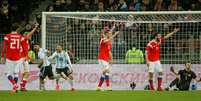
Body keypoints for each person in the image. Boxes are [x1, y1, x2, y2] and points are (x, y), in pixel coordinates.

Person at [1, 23, 27, 93]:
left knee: (7, 73)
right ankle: (14, 89)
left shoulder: (7, 36)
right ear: (17, 29)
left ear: (11, 28)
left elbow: (4, 47)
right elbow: (24, 47)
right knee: (16, 73)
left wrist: (2, 56)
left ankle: (14, 85)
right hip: (18, 58)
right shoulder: (20, 37)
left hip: (10, 58)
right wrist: (25, 55)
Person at [96, 26, 119, 91]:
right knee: (107, 71)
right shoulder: (103, 39)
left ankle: (99, 87)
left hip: (105, 59)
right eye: (109, 33)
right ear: (106, 33)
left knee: (106, 73)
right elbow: (108, 38)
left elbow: (109, 51)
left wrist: (111, 59)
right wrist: (114, 34)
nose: (110, 33)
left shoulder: (109, 43)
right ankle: (108, 87)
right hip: (102, 58)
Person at [20, 24, 38, 91]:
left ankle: (21, 86)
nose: (30, 36)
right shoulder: (24, 40)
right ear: (25, 35)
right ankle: (23, 87)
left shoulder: (25, 41)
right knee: (27, 73)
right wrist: (35, 28)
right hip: (23, 58)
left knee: (24, 73)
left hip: (22, 58)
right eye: (29, 35)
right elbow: (30, 33)